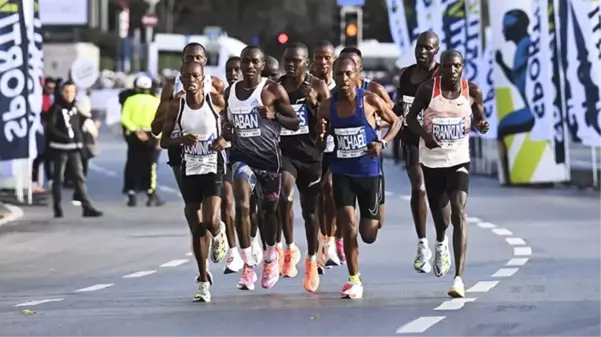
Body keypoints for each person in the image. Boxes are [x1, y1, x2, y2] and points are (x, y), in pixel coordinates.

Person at [316, 57, 402, 299]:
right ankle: (354, 279)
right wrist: (320, 135)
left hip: (369, 173)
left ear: (356, 75)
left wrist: (382, 142)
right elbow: (318, 139)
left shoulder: (369, 99)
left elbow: (396, 122)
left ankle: (376, 210)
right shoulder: (326, 106)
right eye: (339, 74)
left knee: (369, 234)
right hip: (343, 171)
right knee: (349, 226)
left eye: (347, 74)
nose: (343, 79)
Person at [406, 50, 489, 298]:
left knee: (459, 211)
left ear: (462, 67)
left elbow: (479, 117)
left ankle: (459, 279)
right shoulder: (427, 89)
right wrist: (425, 136)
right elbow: (410, 118)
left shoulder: (471, 91)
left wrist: (481, 125)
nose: (450, 71)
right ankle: (440, 242)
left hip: (459, 159)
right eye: (445, 66)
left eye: (455, 66)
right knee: (441, 219)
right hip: (432, 162)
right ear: (439, 69)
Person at [223, 46, 300, 291]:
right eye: (245, 62)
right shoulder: (230, 92)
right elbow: (227, 120)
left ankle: (269, 257)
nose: (249, 66)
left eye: (254, 62)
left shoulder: (272, 90)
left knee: (269, 212)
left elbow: (295, 122)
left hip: (269, 161)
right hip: (241, 158)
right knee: (243, 204)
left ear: (262, 64)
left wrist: (274, 115)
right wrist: (226, 129)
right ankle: (247, 264)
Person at [160, 61, 228, 303]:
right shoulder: (176, 106)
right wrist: (182, 140)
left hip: (213, 167)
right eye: (186, 76)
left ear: (203, 78)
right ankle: (202, 281)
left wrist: (225, 140)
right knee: (195, 220)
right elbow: (164, 141)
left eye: (195, 76)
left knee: (210, 219)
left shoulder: (215, 101)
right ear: (181, 77)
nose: (191, 80)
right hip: (190, 168)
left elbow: (233, 126)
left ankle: (220, 233)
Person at [278, 42, 330, 292]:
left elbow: (331, 117)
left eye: (296, 61)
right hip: (287, 154)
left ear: (306, 63)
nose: (290, 64)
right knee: (284, 196)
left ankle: (311, 259)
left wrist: (313, 105)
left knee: (311, 213)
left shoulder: (317, 86)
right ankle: (290, 248)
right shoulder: (277, 86)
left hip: (312, 156)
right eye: (287, 59)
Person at [150, 43, 225, 195]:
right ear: (182, 61)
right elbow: (156, 128)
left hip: (209, 148)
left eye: (198, 57)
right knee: (192, 203)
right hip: (180, 149)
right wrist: (174, 105)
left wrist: (224, 139)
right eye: (189, 58)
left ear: (205, 60)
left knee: (217, 202)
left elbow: (226, 118)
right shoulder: (172, 87)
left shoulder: (215, 84)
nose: (194, 60)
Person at [394, 31, 441, 274]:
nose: (422, 51)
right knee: (419, 187)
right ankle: (423, 244)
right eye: (419, 47)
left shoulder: (443, 75)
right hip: (413, 140)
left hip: (438, 142)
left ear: (436, 50)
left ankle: (441, 242)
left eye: (427, 48)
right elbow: (397, 107)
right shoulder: (406, 75)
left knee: (441, 197)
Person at [46, 81, 103, 218]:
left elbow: (81, 123)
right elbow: (51, 128)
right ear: (62, 92)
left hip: (75, 149)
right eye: (66, 91)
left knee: (79, 177)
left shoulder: (75, 108)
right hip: (60, 148)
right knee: (59, 178)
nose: (69, 94)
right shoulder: (56, 108)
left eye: (72, 92)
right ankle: (57, 207)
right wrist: (65, 138)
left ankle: (87, 207)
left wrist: (85, 134)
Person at [311, 40, 344, 267]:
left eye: (327, 57)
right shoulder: (308, 85)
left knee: (329, 189)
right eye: (319, 57)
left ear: (334, 60)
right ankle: (321, 243)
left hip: (339, 150)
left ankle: (331, 241)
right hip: (313, 150)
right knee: (316, 200)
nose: (323, 62)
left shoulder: (342, 86)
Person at [121, 76, 164, 207]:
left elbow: (124, 118)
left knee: (133, 163)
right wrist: (160, 138)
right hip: (152, 135)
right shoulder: (156, 101)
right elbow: (161, 120)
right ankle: (151, 193)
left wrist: (136, 130)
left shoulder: (129, 100)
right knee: (151, 165)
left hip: (134, 136)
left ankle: (132, 193)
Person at [221, 56, 247, 274]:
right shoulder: (223, 95)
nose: (233, 74)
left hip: (251, 156)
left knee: (248, 205)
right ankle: (233, 252)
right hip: (227, 155)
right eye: (229, 70)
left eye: (237, 69)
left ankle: (253, 241)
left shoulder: (254, 94)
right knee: (227, 201)